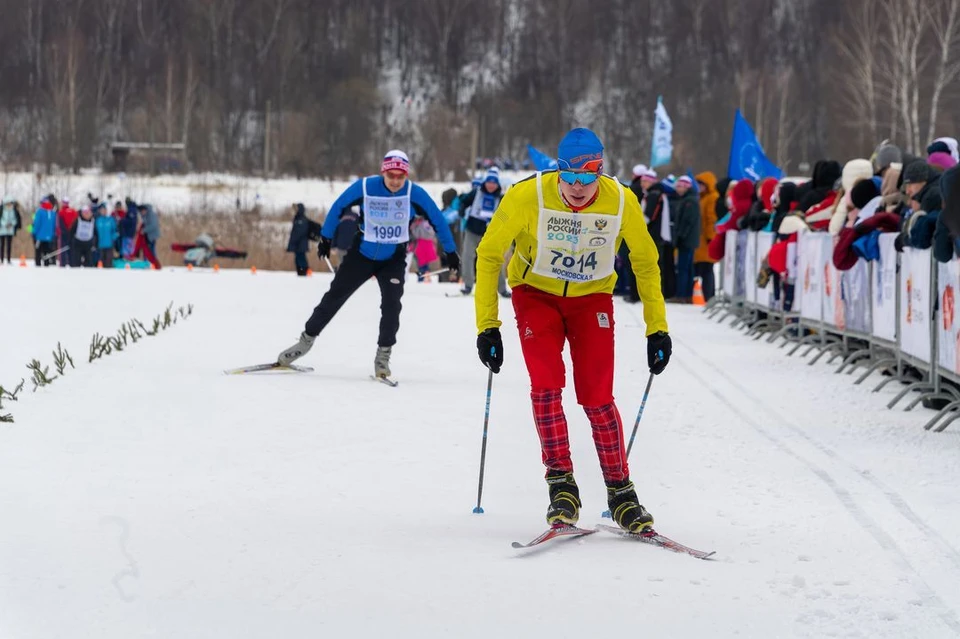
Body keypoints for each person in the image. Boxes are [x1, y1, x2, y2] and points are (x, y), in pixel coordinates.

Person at [472, 128, 671, 533]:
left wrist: (657, 329)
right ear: (558, 172)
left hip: (591, 299)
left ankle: (621, 493)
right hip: (535, 296)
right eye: (570, 179)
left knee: (597, 395)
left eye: (588, 178)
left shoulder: (620, 201)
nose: (578, 189)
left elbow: (646, 261)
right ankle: (562, 485)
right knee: (546, 385)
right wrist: (487, 326)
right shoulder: (528, 196)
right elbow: (489, 254)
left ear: (601, 171)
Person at [277, 149, 461, 379]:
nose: (395, 181)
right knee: (334, 297)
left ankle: (383, 357)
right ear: (383, 172)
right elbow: (338, 207)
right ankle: (304, 343)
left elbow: (438, 220)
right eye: (390, 175)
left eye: (400, 176)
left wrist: (451, 251)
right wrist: (325, 237)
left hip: (393, 258)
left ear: (406, 175)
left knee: (392, 306)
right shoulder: (365, 187)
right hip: (361, 255)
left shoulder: (415, 193)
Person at [457, 167, 511, 297]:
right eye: (489, 182)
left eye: (494, 182)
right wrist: (462, 210)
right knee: (468, 257)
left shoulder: (501, 198)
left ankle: (502, 288)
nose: (491, 185)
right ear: (485, 182)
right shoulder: (476, 193)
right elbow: (463, 202)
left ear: (497, 184)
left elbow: (505, 215)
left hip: (490, 234)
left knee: (495, 259)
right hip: (472, 230)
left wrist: (501, 223)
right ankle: (468, 285)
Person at [287, 203, 322, 276]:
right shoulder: (298, 218)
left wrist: (293, 242)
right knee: (298, 257)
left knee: (301, 257)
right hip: (298, 243)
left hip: (300, 243)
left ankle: (305, 271)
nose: (295, 210)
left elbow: (299, 233)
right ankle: (300, 271)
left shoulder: (301, 220)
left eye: (296, 209)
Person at [0, 197, 22, 264]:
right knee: (2, 245)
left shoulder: (13, 210)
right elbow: (1, 219)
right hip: (2, 230)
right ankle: (1, 259)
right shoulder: (2, 210)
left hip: (10, 230)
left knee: (9, 245)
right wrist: (4, 224)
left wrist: (11, 224)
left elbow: (16, 219)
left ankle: (8, 259)